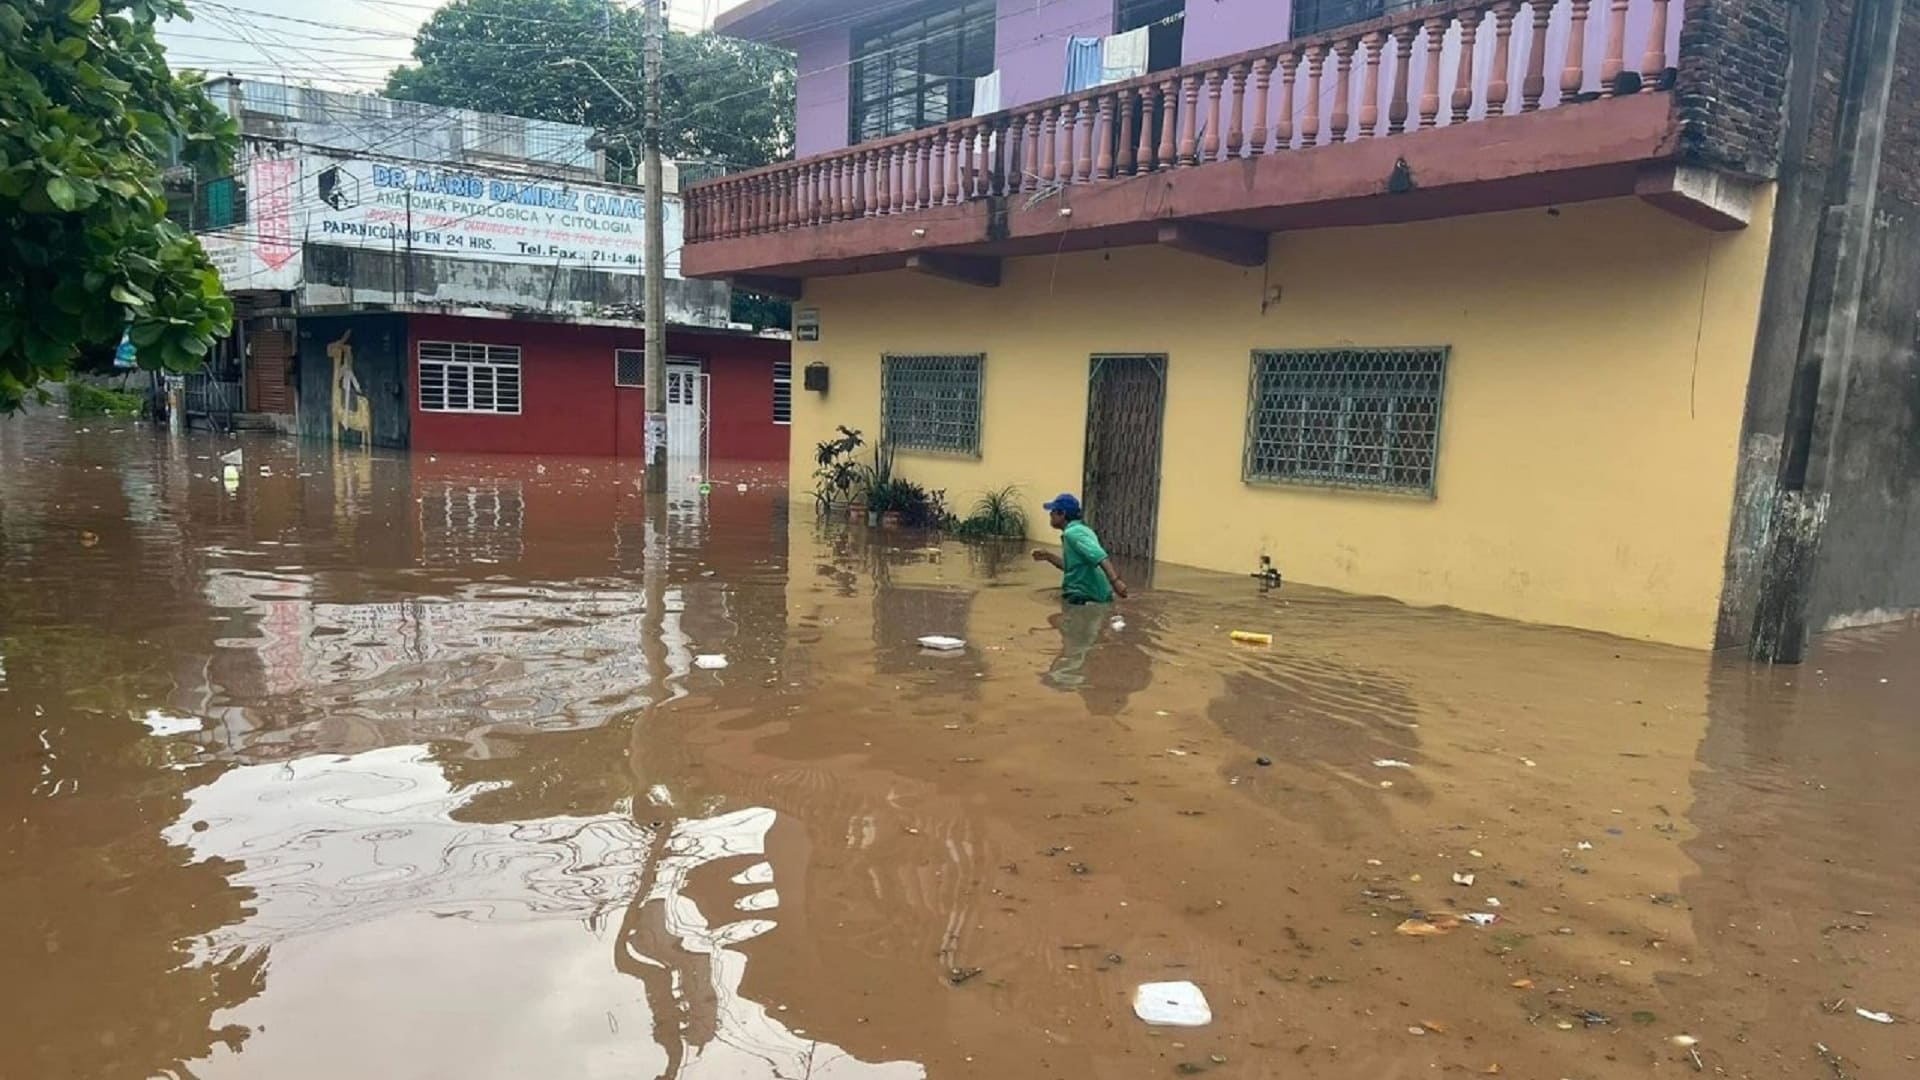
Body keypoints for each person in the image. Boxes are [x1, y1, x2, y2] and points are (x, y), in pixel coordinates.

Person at [1032, 493, 1129, 602]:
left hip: (1084, 594)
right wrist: (1048, 556)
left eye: (1053, 511)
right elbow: (1072, 568)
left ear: (1062, 514)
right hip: (1092, 593)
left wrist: (1115, 582)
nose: (1050, 514)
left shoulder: (1073, 533)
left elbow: (1100, 556)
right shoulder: (1083, 529)